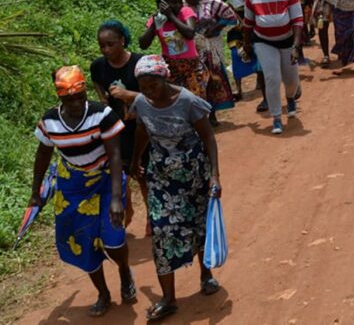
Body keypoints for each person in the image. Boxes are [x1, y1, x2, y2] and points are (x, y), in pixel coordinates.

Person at [30, 66, 135, 317]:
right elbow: (43, 154)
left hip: (106, 179)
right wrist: (35, 192)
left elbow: (115, 154)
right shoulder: (50, 121)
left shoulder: (102, 114)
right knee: (82, 240)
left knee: (113, 238)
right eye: (69, 99)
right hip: (74, 185)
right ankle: (103, 293)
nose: (76, 103)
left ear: (86, 92)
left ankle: (123, 271)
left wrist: (118, 198)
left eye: (80, 97)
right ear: (60, 98)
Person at [130, 55, 222, 322]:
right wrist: (136, 161)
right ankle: (168, 298)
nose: (148, 91)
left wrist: (214, 175)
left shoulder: (188, 102)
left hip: (193, 173)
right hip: (160, 175)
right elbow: (142, 131)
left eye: (152, 85)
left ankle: (206, 276)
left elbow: (208, 137)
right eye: (143, 86)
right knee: (161, 231)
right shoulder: (140, 103)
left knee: (198, 226)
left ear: (165, 78)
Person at [90, 20, 147, 231]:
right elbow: (97, 82)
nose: (106, 50)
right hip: (115, 130)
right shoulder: (98, 66)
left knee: (144, 173)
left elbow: (154, 95)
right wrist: (103, 100)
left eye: (110, 44)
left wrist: (129, 97)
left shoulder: (140, 64)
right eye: (102, 46)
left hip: (142, 128)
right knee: (120, 174)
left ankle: (152, 215)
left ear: (123, 41)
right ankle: (127, 210)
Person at [242, 0, 304, 134]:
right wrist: (247, 45)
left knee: (291, 80)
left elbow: (298, 21)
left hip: (287, 41)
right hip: (264, 41)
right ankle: (276, 117)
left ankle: (290, 97)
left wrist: (296, 46)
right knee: (272, 78)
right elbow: (248, 24)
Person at [181, 0, 238, 126]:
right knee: (197, 81)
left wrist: (216, 28)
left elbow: (231, 17)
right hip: (191, 49)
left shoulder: (212, 2)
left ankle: (212, 114)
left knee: (212, 79)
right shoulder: (181, 6)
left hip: (211, 46)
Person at [138, 0, 207, 100]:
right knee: (175, 103)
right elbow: (143, 44)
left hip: (191, 68)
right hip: (172, 69)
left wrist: (171, 16)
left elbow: (190, 34)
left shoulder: (185, 12)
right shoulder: (158, 20)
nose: (178, 6)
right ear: (163, 3)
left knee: (196, 101)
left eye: (180, 2)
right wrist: (154, 25)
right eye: (174, 3)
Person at [220, 0, 255, 100]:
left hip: (249, 18)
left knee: (254, 50)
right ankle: (238, 89)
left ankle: (259, 81)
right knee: (235, 54)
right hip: (234, 21)